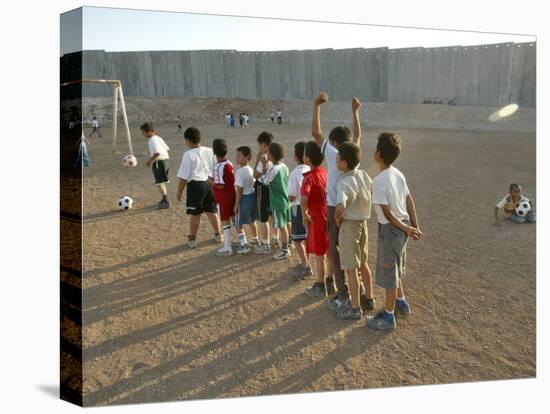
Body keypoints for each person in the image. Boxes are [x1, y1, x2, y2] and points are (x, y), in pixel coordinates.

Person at [366, 132, 422, 331]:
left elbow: (388, 214)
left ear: (379, 154)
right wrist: (414, 224)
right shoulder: (398, 173)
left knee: (389, 272)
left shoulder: (379, 180)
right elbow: (409, 199)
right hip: (403, 226)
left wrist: (407, 227)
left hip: (392, 229)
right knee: (396, 266)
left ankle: (388, 317)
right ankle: (401, 302)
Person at [311, 91, 360, 311]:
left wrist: (316, 105)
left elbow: (315, 133)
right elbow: (357, 136)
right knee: (354, 252)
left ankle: (343, 293)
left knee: (334, 250)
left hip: (335, 208)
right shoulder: (354, 152)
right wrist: (355, 113)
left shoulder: (333, 154)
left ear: (333, 143)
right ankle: (362, 294)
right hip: (354, 209)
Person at [333, 142, 375, 320]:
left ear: (343, 163)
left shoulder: (344, 181)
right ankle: (369, 298)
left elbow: (341, 205)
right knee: (363, 263)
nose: (335, 160)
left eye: (337, 157)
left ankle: (355, 307)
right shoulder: (364, 175)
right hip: (363, 223)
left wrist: (337, 219)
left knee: (351, 268)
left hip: (349, 226)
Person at [176, 127, 222, 249]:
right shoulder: (210, 151)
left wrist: (179, 192)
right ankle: (219, 235)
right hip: (209, 183)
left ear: (188, 141)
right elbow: (215, 168)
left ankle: (192, 239)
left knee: (195, 214)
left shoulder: (188, 154)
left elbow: (183, 177)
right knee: (212, 211)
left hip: (195, 185)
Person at [300, 141, 332, 297]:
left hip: (316, 216)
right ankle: (331, 281)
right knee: (329, 249)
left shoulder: (309, 178)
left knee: (319, 253)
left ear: (308, 159)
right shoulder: (325, 173)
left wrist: (303, 214)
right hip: (327, 213)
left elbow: (304, 198)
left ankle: (320, 285)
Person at [261, 142, 292, 260]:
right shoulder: (284, 166)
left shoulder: (273, 169)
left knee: (281, 225)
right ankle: (290, 242)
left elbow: (265, 181)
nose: (266, 154)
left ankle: (284, 249)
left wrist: (265, 165)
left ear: (272, 156)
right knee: (287, 222)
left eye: (268, 153)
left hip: (277, 202)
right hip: (286, 199)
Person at [288, 142, 312, 280]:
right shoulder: (311, 170)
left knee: (297, 239)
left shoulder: (295, 173)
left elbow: (291, 196)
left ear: (297, 156)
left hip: (298, 207)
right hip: (311, 208)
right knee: (308, 236)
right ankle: (307, 260)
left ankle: (305, 264)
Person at [212, 139, 237, 257]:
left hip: (224, 198)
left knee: (225, 220)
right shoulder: (229, 163)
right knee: (233, 218)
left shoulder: (218, 166)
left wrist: (210, 182)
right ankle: (242, 241)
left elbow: (220, 185)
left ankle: (227, 247)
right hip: (233, 195)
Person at [233, 146, 260, 254]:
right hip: (252, 197)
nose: (237, 157)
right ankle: (255, 239)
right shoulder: (250, 170)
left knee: (237, 222)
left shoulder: (240, 172)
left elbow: (239, 190)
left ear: (246, 157)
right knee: (251, 221)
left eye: (239, 156)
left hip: (244, 199)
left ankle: (243, 244)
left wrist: (236, 205)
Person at [140, 123, 171, 209]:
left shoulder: (152, 140)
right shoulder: (158, 138)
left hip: (159, 162)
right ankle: (164, 198)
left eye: (143, 132)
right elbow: (167, 148)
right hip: (166, 161)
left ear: (149, 131)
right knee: (161, 182)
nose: (143, 134)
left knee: (159, 182)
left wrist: (150, 161)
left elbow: (157, 153)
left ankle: (166, 201)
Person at [253, 132, 274, 255]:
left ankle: (265, 244)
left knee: (263, 218)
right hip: (271, 187)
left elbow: (255, 175)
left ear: (263, 144)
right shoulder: (275, 156)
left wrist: (257, 161)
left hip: (262, 187)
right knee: (271, 215)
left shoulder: (263, 158)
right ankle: (275, 238)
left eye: (260, 145)